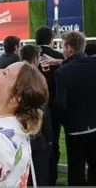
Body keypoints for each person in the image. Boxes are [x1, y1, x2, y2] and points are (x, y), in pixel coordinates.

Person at [55, 31, 96, 185]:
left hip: (74, 129)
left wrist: (64, 121)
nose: (62, 51)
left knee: (76, 170)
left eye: (63, 47)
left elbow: (61, 104)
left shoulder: (63, 72)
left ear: (70, 49)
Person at [34, 26, 64, 186]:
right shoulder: (59, 56)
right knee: (53, 142)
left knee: (33, 141)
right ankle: (51, 178)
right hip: (53, 107)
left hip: (32, 107)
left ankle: (37, 177)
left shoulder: (29, 55)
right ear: (52, 40)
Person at [19, 44, 52, 186]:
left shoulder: (13, 74)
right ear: (36, 59)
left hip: (18, 133)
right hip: (34, 135)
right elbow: (43, 111)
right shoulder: (38, 79)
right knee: (38, 176)